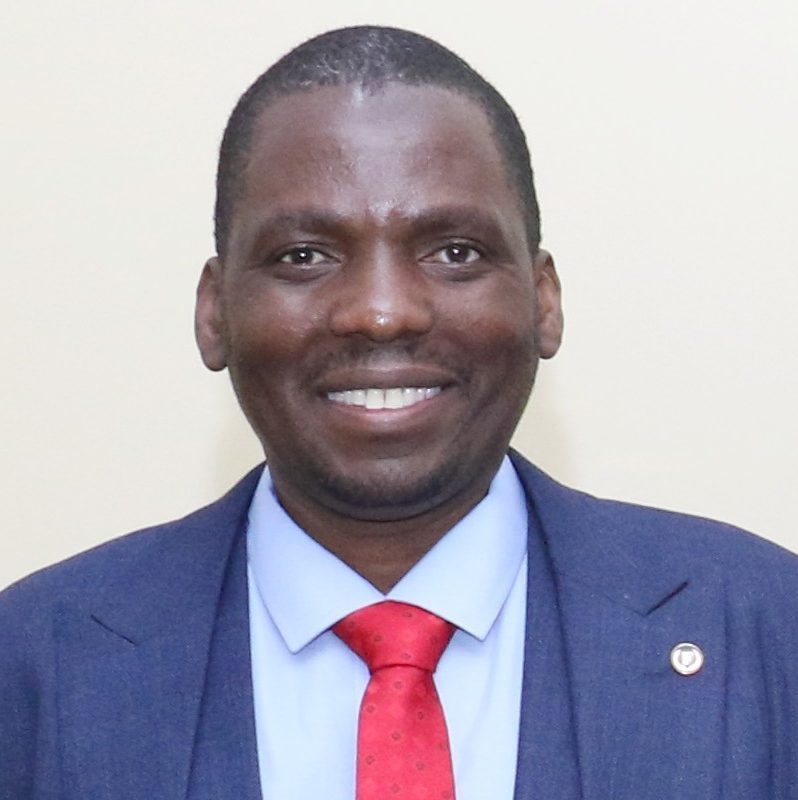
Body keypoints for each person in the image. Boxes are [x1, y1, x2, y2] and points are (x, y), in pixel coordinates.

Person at [1, 25, 797, 800]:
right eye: (304, 255)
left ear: (543, 300)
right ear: (215, 312)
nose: (381, 313)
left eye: (454, 251)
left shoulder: (766, 628)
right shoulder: (32, 665)